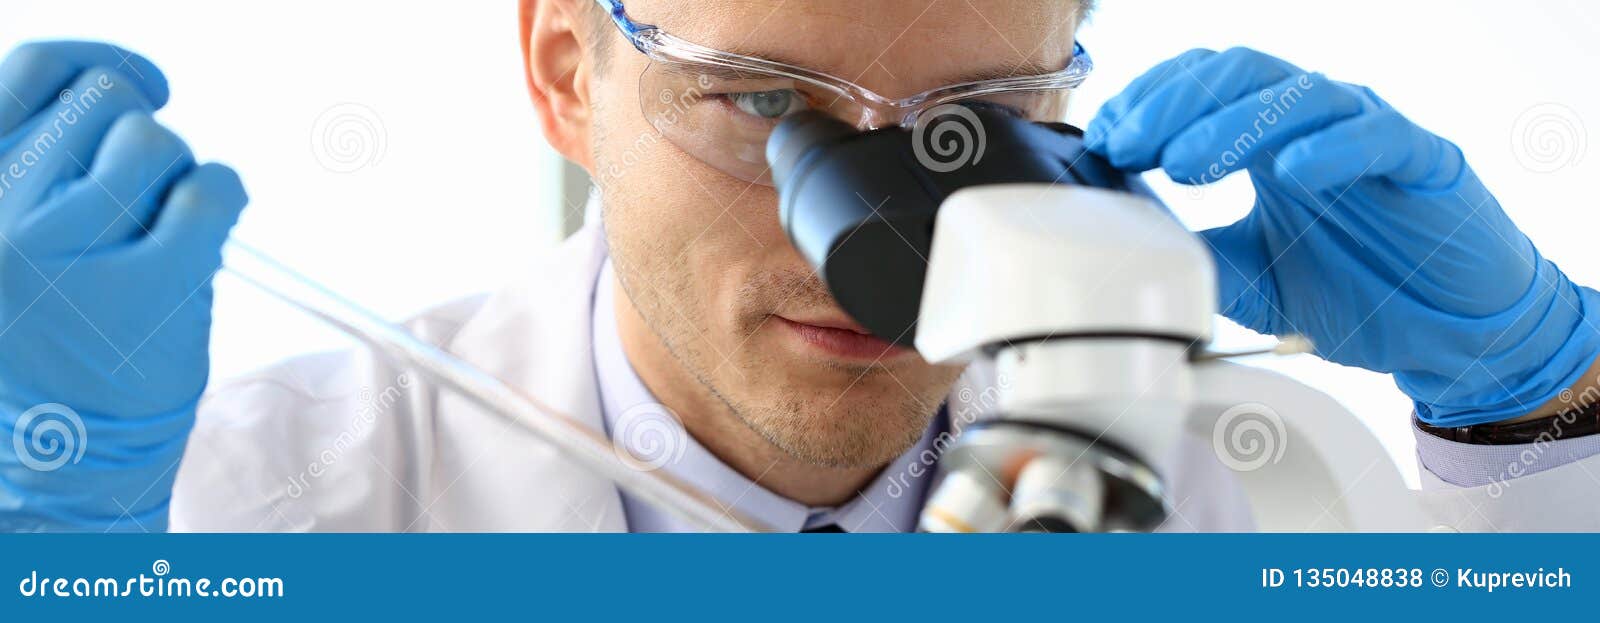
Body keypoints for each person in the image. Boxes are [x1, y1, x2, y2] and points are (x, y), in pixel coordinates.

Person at [2, 0, 1598, 532]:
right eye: (765, 105)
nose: (890, 236)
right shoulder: (263, 504)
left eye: (980, 117)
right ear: (568, 73)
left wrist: (1534, 401)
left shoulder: (1238, 484)